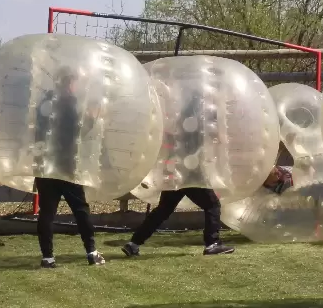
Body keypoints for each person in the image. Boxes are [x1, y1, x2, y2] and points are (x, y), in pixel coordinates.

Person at [120, 92, 234, 257]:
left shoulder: (184, 120)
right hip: (190, 171)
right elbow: (210, 141)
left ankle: (133, 243)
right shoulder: (200, 122)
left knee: (164, 209)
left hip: (175, 169)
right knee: (212, 205)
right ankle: (212, 243)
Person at [33, 68, 106, 268]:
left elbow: (37, 129)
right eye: (75, 81)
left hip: (45, 164)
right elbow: (79, 131)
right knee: (80, 209)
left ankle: (47, 258)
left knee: (46, 212)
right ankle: (91, 252)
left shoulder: (45, 101)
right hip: (66, 164)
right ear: (69, 82)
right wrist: (93, 117)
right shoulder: (71, 102)